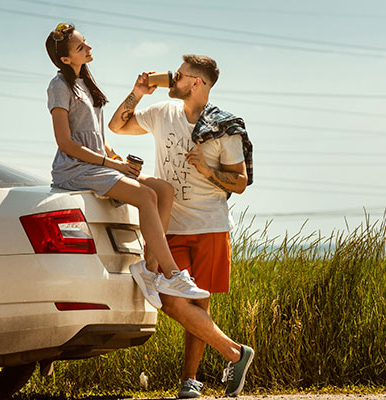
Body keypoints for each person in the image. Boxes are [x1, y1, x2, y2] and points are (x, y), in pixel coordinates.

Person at [108, 54, 254, 398]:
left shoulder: (223, 127)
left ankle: (189, 383)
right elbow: (117, 126)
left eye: (182, 75)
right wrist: (138, 92)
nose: (174, 79)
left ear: (197, 83)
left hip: (209, 225)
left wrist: (208, 171)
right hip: (168, 226)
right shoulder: (162, 112)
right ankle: (234, 352)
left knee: (197, 308)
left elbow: (240, 182)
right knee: (170, 301)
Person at [44, 23, 210, 304]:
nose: (89, 48)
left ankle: (149, 270)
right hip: (74, 169)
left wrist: (116, 158)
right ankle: (172, 275)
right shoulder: (59, 86)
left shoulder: (85, 82)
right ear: (65, 59)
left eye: (86, 43)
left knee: (164, 191)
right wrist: (113, 165)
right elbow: (66, 143)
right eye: (81, 47)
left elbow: (95, 134)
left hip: (98, 164)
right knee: (147, 196)